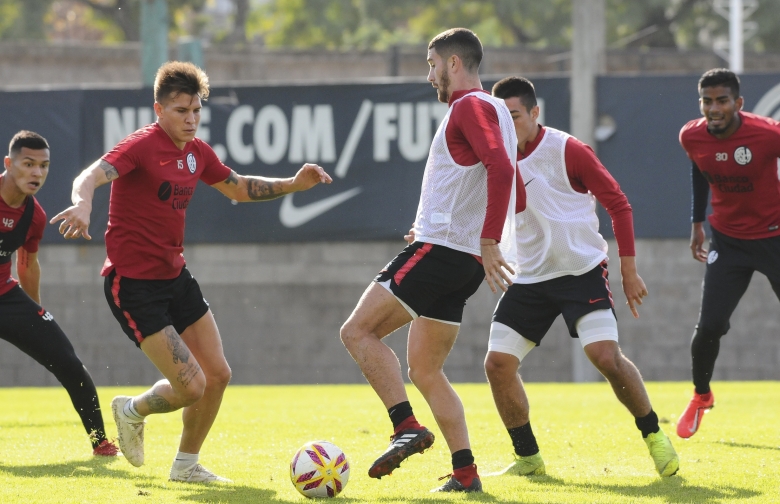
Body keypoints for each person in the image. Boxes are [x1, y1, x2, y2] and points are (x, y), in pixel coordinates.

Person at [50, 61, 331, 482]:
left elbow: (237, 186)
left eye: (196, 110)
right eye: (182, 110)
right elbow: (89, 175)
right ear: (159, 109)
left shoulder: (197, 153)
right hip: (133, 284)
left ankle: (186, 465)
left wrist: (292, 184)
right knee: (192, 386)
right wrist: (84, 203)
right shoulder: (141, 146)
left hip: (175, 277)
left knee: (218, 375)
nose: (191, 119)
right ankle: (131, 410)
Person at [340, 28, 521, 493]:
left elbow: (500, 168)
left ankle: (406, 427)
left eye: (431, 63)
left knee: (357, 332)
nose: (429, 74)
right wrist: (453, 229)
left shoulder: (470, 105)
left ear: (454, 63)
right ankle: (465, 473)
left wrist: (487, 239)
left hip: (445, 252)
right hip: (459, 261)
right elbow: (495, 179)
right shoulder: (498, 109)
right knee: (424, 369)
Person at [483, 76, 679, 478]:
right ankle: (528, 458)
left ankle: (654, 434)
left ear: (535, 113)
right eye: (499, 118)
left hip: (582, 271)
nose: (506, 125)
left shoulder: (567, 149)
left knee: (605, 357)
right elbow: (467, 204)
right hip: (530, 277)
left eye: (514, 115)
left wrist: (628, 270)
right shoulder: (493, 157)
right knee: (497, 364)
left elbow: (618, 204)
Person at [0, 130, 119, 457]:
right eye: (28, 164)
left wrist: (34, 315)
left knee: (67, 359)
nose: (36, 173)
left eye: (44, 166)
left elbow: (27, 265)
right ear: (9, 163)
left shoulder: (34, 215)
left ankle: (101, 442)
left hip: (5, 297)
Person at [677, 68, 780, 438]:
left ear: (738, 103)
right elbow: (699, 170)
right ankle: (701, 396)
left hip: (774, 239)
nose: (714, 108)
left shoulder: (767, 134)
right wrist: (696, 223)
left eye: (722, 101)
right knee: (709, 328)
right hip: (729, 242)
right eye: (707, 101)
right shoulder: (691, 135)